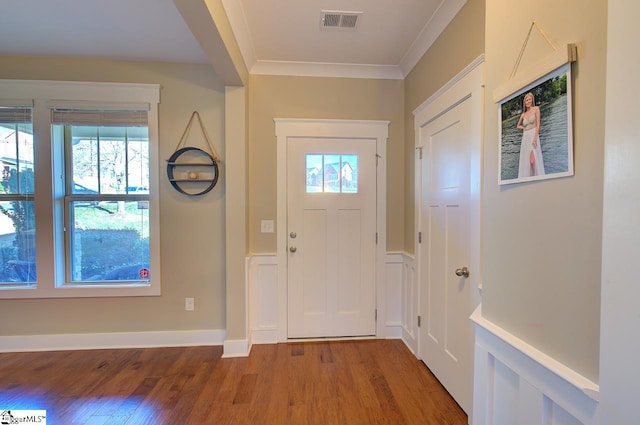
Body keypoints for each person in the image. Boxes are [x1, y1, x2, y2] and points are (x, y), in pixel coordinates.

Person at [516, 92, 545, 178]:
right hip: (525, 137)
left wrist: (535, 138)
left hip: (533, 135)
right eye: (526, 100)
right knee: (528, 161)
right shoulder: (523, 114)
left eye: (529, 99)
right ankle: (530, 178)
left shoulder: (536, 109)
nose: (528, 101)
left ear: (532, 100)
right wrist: (523, 128)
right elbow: (518, 125)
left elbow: (538, 124)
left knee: (533, 160)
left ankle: (537, 176)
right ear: (524, 102)